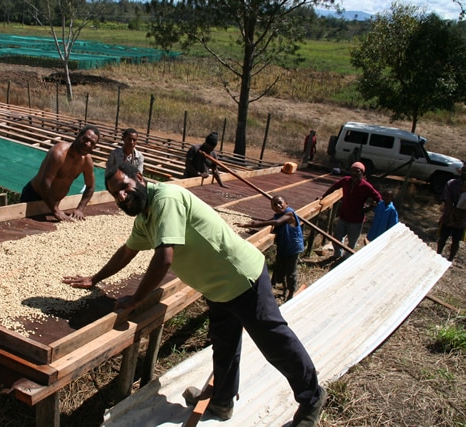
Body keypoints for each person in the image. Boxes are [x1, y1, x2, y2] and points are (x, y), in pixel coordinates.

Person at [63, 163, 326, 425]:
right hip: (217, 288)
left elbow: (164, 258)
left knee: (274, 341)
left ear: (140, 178)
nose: (121, 196)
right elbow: (128, 250)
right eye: (114, 194)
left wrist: (135, 300)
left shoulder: (166, 199)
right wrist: (95, 278)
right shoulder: (145, 216)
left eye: (124, 187)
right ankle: (222, 401)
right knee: (224, 345)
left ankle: (312, 398)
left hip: (242, 278)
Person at [20, 125, 99, 222]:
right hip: (34, 197)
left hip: (55, 203)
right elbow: (45, 183)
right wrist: (56, 210)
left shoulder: (87, 161)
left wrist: (80, 209)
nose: (87, 144)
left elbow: (90, 186)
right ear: (78, 136)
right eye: (86, 139)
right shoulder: (59, 153)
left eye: (92, 143)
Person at [236, 195, 304, 301]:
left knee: (290, 272)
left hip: (293, 248)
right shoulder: (278, 215)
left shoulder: (289, 213)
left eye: (280, 203)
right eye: (274, 205)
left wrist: (258, 224)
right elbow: (270, 221)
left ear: (287, 203)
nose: (278, 205)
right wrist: (249, 224)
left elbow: (276, 223)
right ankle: (284, 290)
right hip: (283, 247)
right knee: (280, 270)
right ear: (272, 208)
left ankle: (291, 293)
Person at [321, 161, 381, 259]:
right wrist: (323, 197)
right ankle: (337, 254)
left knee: (352, 241)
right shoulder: (346, 181)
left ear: (362, 173)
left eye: (357, 171)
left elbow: (378, 197)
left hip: (356, 219)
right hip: (343, 216)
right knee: (337, 237)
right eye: (352, 171)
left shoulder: (366, 186)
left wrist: (370, 207)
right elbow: (334, 187)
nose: (354, 173)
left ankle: (346, 257)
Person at [437, 164, 466, 261]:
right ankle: (438, 254)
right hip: (448, 216)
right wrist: (452, 213)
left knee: (456, 240)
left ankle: (450, 259)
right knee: (443, 237)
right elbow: (447, 199)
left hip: (461, 219)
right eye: (464, 170)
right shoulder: (452, 183)